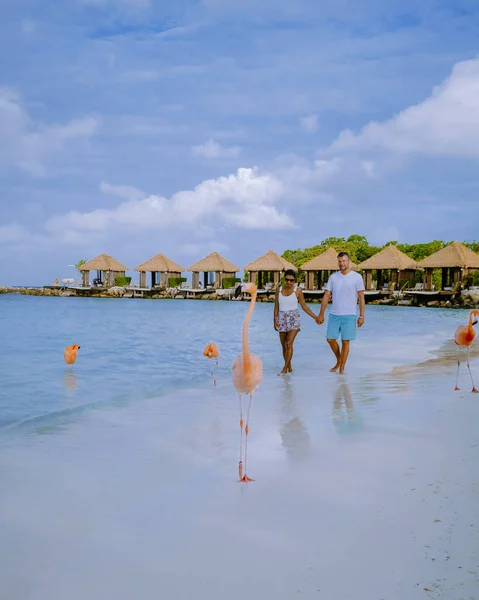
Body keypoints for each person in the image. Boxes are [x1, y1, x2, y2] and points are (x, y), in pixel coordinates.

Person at [317, 252, 365, 374]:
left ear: (349, 261)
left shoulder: (356, 277)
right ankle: (339, 360)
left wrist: (361, 315)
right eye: (339, 261)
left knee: (345, 341)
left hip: (349, 314)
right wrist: (321, 313)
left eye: (344, 261)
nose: (341, 263)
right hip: (334, 314)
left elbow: (361, 297)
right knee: (330, 339)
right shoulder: (333, 277)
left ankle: (342, 369)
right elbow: (327, 295)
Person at [274, 269, 319, 375]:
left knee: (289, 343)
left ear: (295, 280)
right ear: (284, 279)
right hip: (281, 318)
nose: (289, 282)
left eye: (291, 280)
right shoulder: (278, 290)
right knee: (283, 345)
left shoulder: (297, 291)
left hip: (293, 318)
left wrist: (315, 317)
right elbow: (276, 306)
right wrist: (275, 320)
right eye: (287, 280)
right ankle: (289, 367)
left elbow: (304, 306)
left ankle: (284, 369)